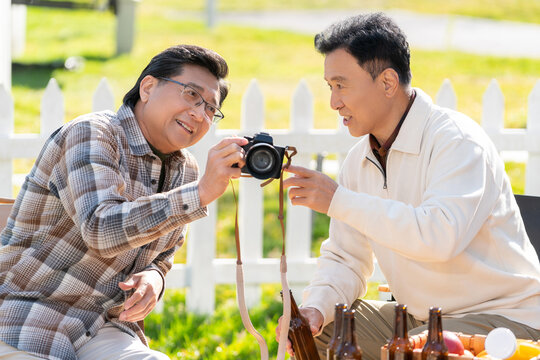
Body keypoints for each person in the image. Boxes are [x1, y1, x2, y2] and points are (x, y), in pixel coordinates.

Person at [276, 13, 540, 360]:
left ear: (387, 83)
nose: (333, 102)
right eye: (330, 86)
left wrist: (339, 201)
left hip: (505, 321)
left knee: (413, 350)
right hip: (424, 318)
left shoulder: (457, 141)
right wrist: (314, 310)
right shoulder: (359, 159)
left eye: (341, 85)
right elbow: (346, 258)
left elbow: (438, 236)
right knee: (321, 336)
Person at [0, 44, 248, 360]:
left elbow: (163, 255)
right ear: (148, 87)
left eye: (211, 109)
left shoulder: (186, 168)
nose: (200, 114)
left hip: (99, 325)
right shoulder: (93, 133)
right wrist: (200, 194)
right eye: (191, 95)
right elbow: (100, 228)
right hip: (26, 317)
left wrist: (155, 278)